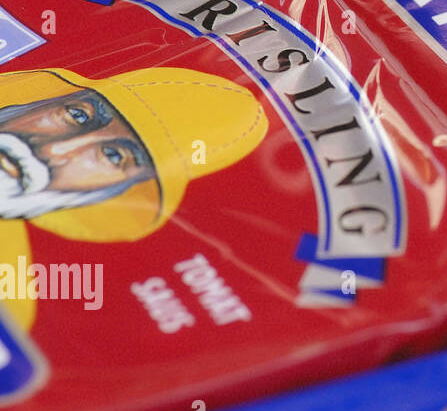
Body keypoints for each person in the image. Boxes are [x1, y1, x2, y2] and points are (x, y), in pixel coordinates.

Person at [0, 67, 267, 331]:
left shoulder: (8, 302)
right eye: (77, 115)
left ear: (114, 190)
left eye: (113, 155)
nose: (52, 149)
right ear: (39, 104)